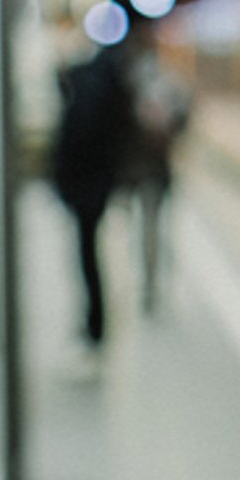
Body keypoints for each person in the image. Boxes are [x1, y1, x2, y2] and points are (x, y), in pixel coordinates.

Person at [50, 38, 136, 346]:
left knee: (87, 256)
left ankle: (95, 325)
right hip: (100, 185)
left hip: (85, 188)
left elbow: (75, 140)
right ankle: (95, 322)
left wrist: (64, 181)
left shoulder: (86, 91)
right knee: (90, 254)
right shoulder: (113, 86)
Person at [121, 22, 192, 313]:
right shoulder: (170, 82)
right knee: (156, 228)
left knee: (148, 229)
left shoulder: (131, 82)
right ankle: (156, 282)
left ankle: (151, 284)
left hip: (142, 171)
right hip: (158, 170)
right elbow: (184, 121)